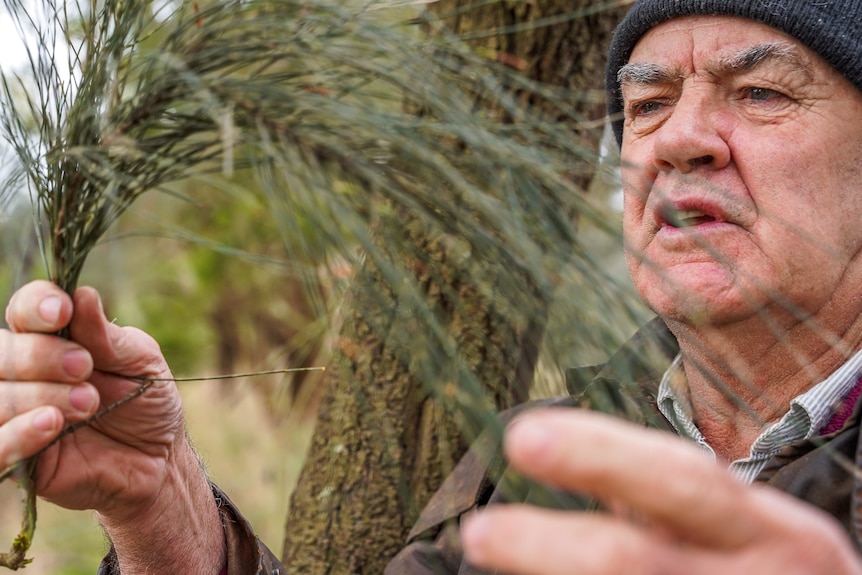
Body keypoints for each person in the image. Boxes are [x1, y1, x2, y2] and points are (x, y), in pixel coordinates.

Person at [4, 0, 862, 573]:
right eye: (647, 106)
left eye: (759, 92)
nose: (681, 141)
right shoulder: (538, 453)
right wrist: (164, 505)